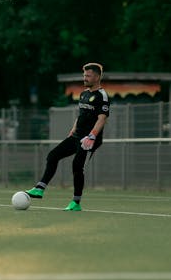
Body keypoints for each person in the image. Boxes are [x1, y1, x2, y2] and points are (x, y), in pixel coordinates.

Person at [26, 62, 110, 211]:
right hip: (77, 136)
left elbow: (101, 118)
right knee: (53, 155)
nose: (85, 78)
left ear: (97, 77)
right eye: (84, 75)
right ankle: (40, 188)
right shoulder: (84, 94)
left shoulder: (102, 96)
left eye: (88, 75)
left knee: (77, 166)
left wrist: (92, 136)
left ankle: (76, 203)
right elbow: (82, 115)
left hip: (89, 140)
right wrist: (73, 128)